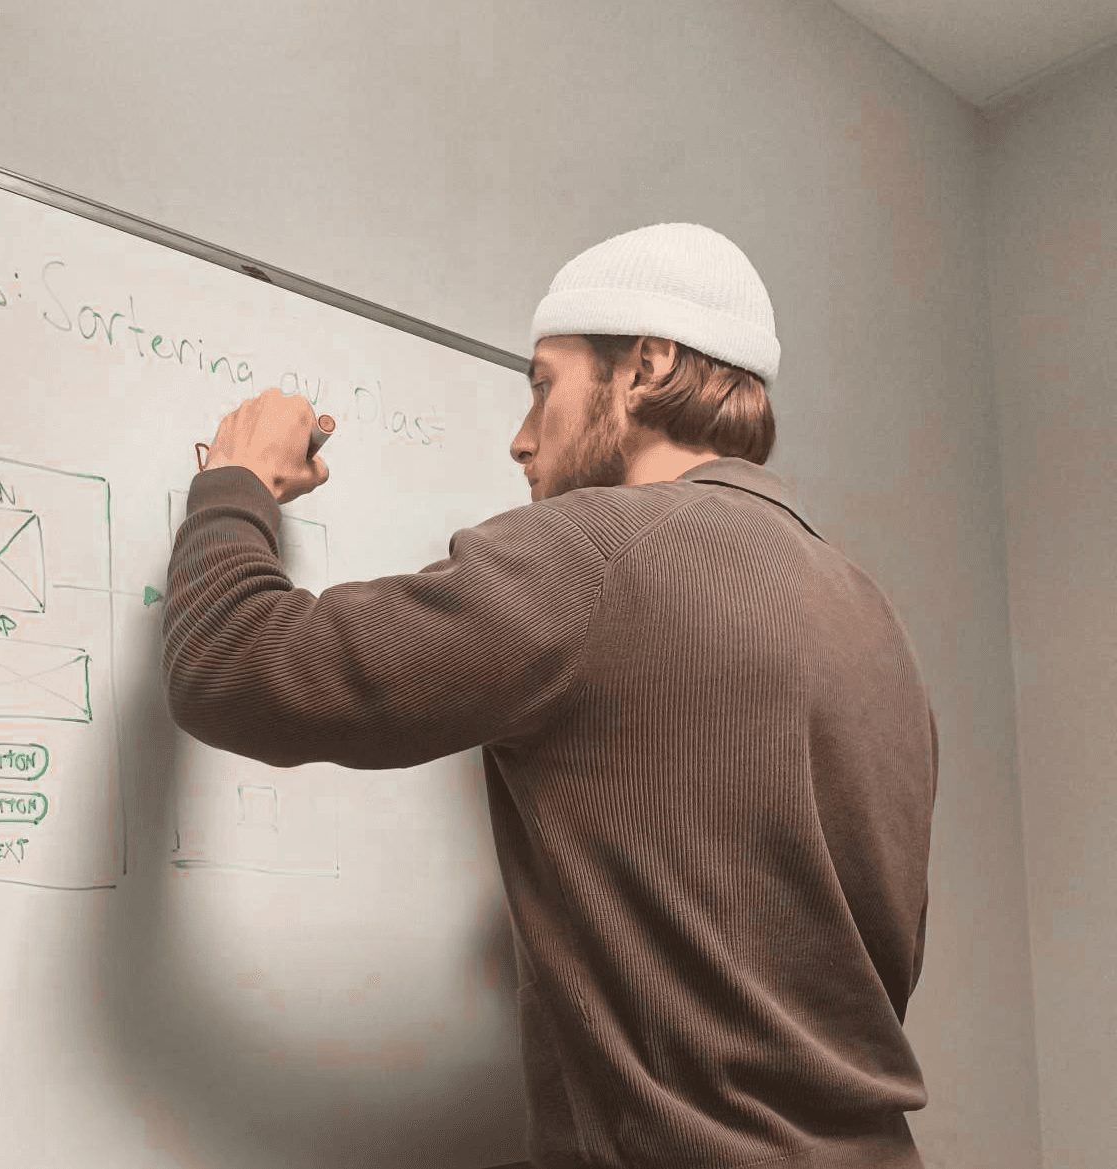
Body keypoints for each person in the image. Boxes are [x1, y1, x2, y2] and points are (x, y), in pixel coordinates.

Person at [162, 223, 938, 1169]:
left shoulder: (598, 551)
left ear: (645, 366)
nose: (521, 438)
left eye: (541, 384)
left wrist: (235, 482)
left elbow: (231, 663)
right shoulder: (871, 614)